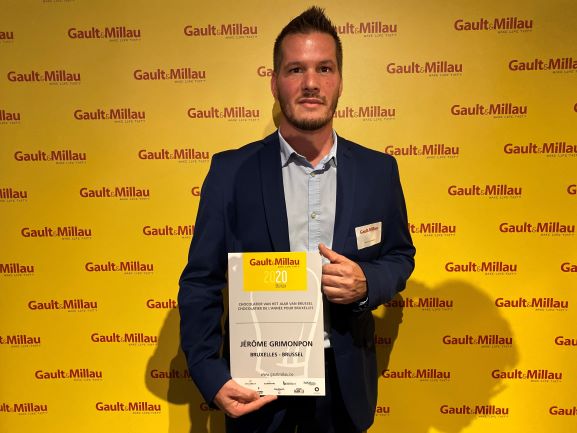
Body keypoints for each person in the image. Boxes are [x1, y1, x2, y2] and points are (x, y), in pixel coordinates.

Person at [178, 6, 415, 433]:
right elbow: (201, 282)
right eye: (295, 69)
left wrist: (367, 282)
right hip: (258, 388)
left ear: (339, 80)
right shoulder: (230, 172)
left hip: (346, 387)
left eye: (324, 68)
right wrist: (210, 374)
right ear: (274, 82)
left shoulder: (378, 171)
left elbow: (399, 256)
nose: (310, 83)